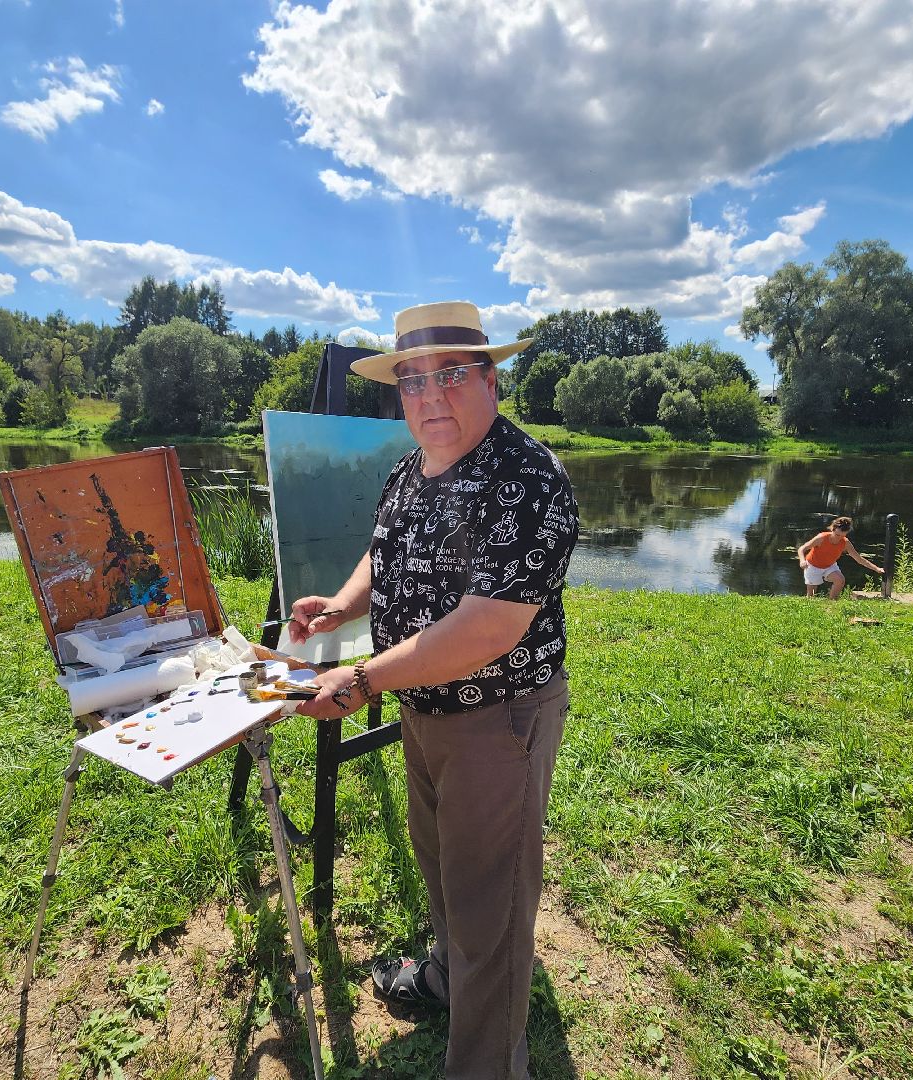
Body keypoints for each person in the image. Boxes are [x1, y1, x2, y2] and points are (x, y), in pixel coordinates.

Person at [287, 301, 579, 1079]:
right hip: (423, 707)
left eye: (451, 375)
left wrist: (361, 677)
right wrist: (343, 608)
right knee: (441, 863)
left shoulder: (531, 481)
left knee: (492, 908)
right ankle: (448, 980)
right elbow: (383, 554)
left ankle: (484, 1065)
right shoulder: (411, 467)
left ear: (491, 378)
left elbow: (485, 632)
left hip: (497, 717)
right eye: (413, 380)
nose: (430, 396)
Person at [797, 515, 883, 598]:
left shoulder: (845, 543)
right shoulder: (821, 538)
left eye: (843, 536)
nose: (839, 538)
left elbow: (859, 559)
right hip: (813, 566)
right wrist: (802, 561)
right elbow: (802, 549)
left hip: (829, 566)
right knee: (811, 595)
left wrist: (877, 569)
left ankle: (832, 602)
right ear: (832, 529)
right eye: (837, 535)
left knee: (840, 580)